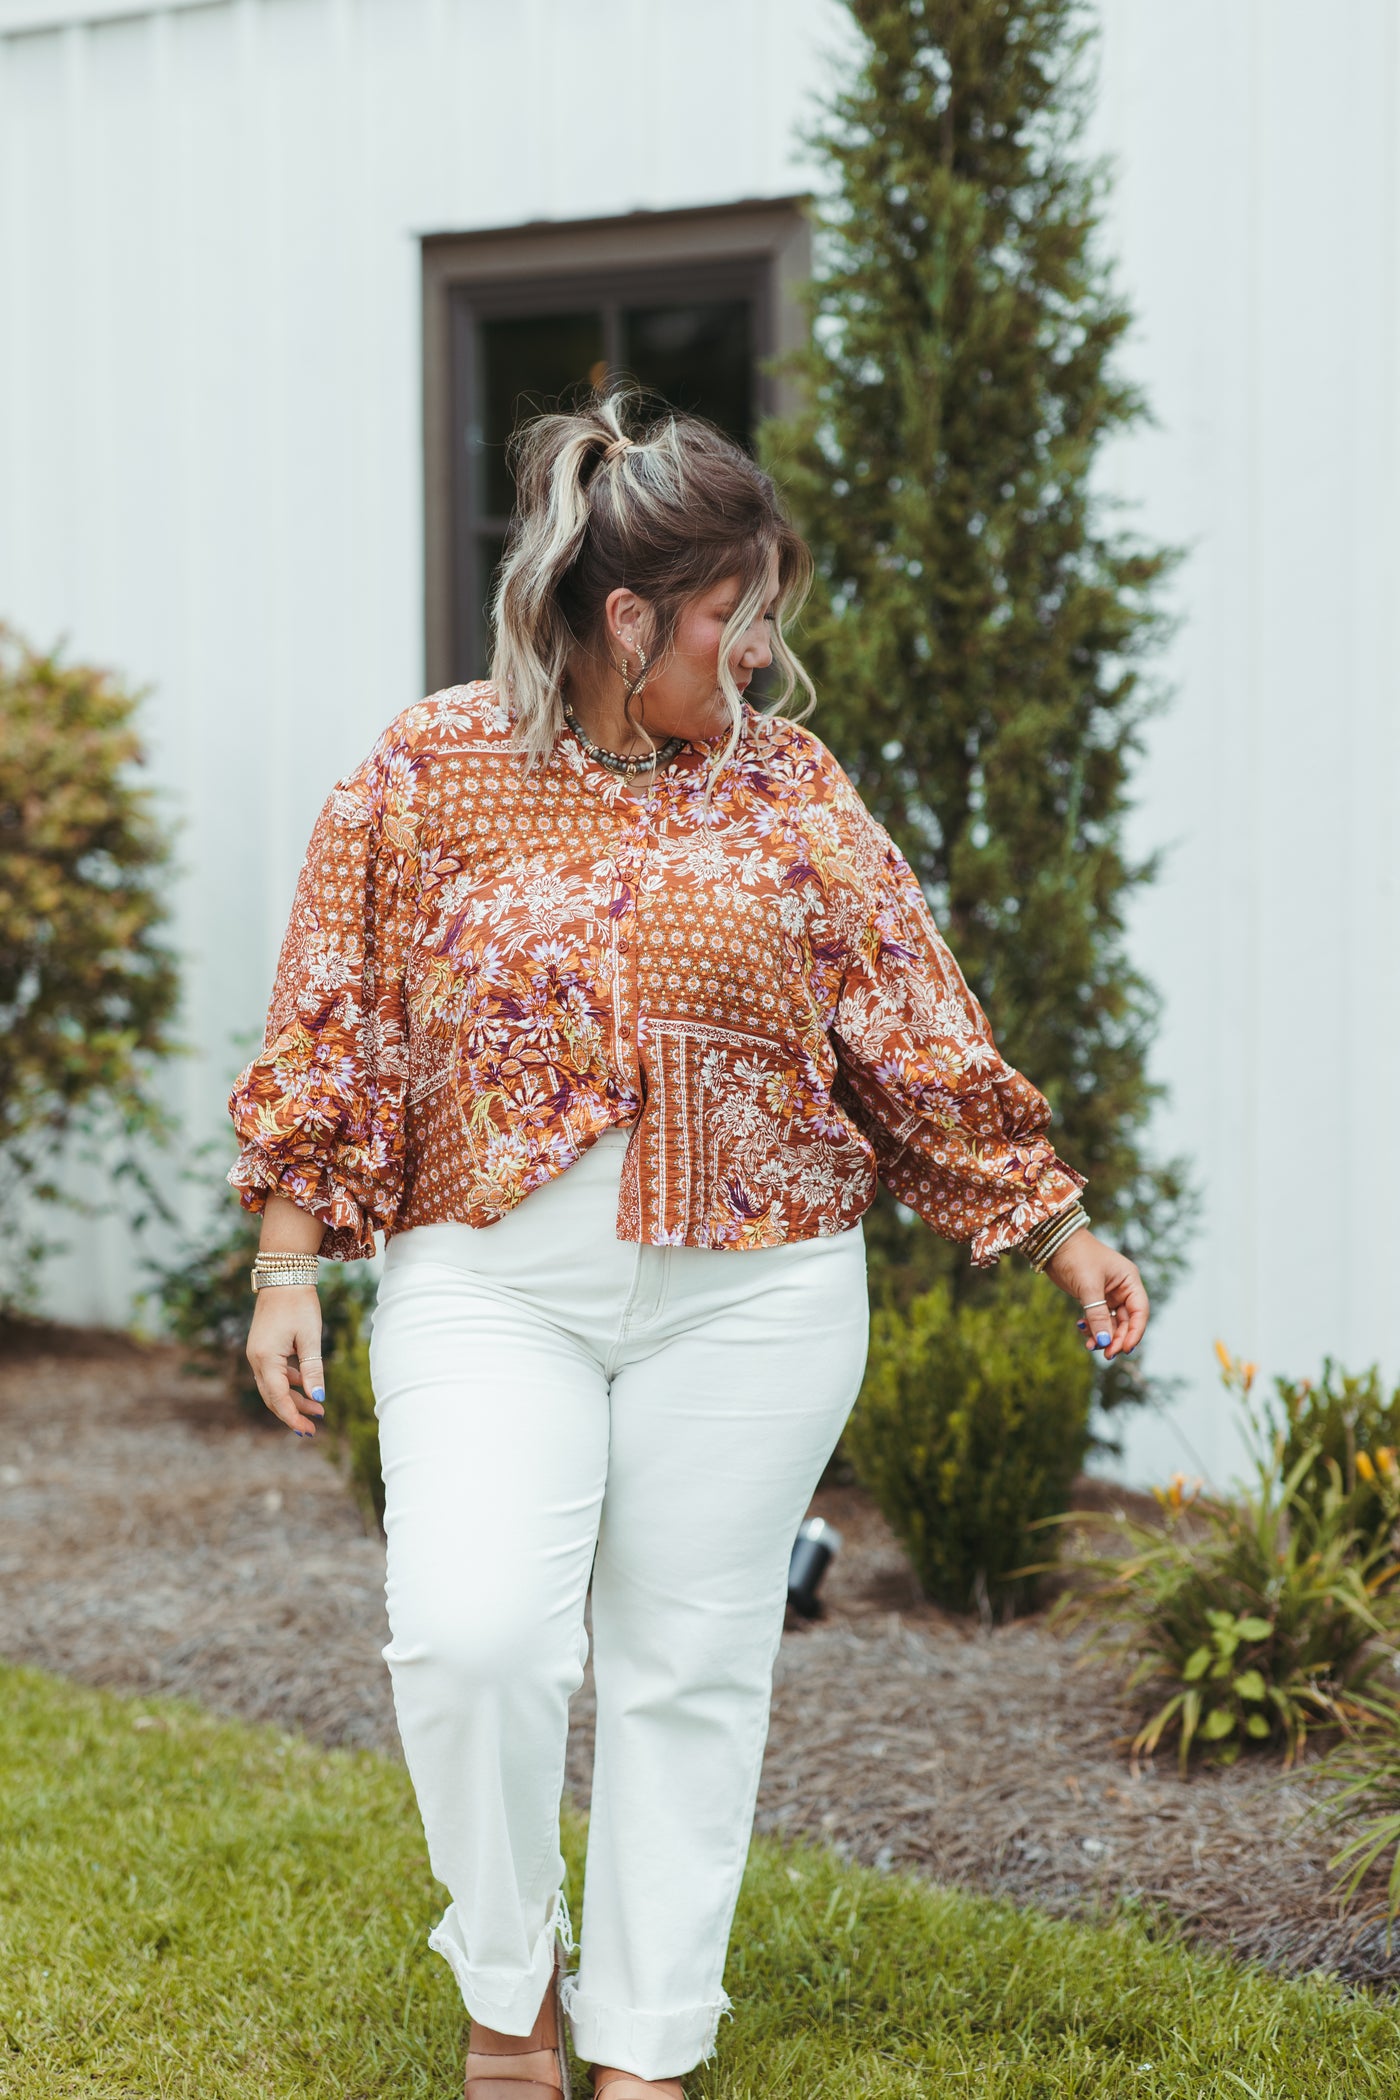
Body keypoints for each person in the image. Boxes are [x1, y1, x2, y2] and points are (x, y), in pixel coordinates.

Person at [230, 391, 1148, 2100]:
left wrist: (1052, 1222)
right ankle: (511, 1990)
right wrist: (290, 1260)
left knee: (689, 1666)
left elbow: (907, 1020)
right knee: (474, 1634)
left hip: (759, 1296)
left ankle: (649, 2043)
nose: (761, 653)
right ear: (630, 613)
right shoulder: (428, 771)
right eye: (735, 616)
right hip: (491, 1281)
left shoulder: (791, 785)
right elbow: (332, 1017)